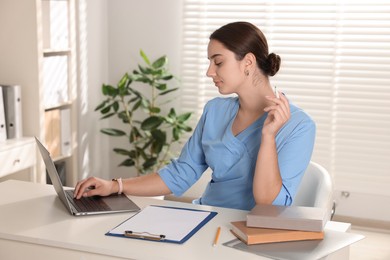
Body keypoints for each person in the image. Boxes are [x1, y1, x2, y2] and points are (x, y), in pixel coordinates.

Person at [74, 21, 316, 211]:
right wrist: (115, 186)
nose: (209, 72)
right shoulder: (215, 110)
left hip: (252, 232)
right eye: (209, 62)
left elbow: (268, 204)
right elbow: (182, 173)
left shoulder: (299, 126)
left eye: (218, 62)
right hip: (205, 218)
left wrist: (268, 136)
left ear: (248, 62)